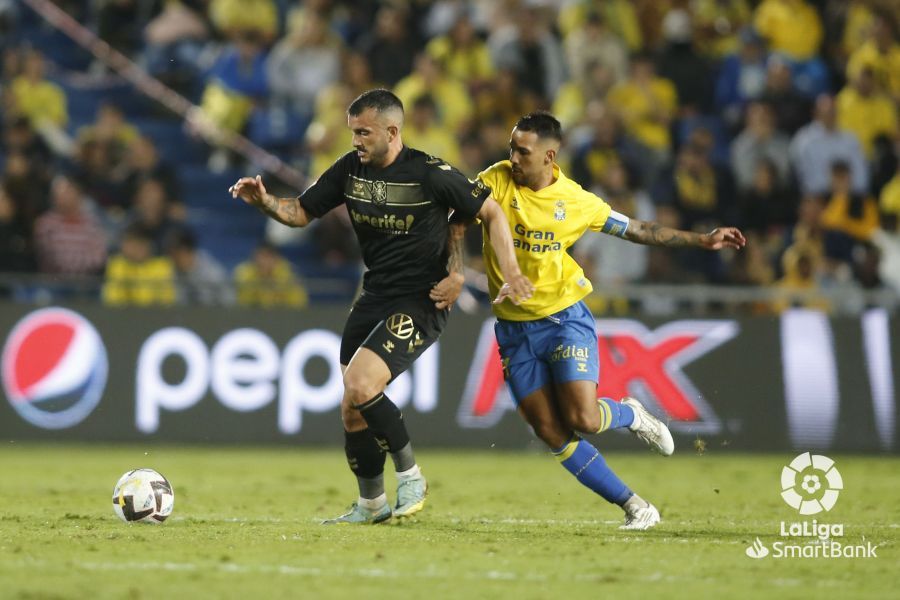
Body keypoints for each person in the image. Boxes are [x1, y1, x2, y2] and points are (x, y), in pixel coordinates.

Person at [229, 89, 533, 524]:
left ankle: (411, 475)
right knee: (353, 408)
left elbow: (489, 213)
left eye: (363, 132)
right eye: (353, 132)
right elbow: (300, 212)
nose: (355, 140)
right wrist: (265, 202)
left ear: (392, 131)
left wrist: (495, 272)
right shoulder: (350, 170)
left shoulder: (431, 173)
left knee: (361, 383)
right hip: (374, 296)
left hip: (424, 298)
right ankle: (371, 505)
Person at [465, 112, 745, 530]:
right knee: (549, 430)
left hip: (563, 318)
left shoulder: (576, 201)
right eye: (511, 149)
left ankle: (630, 414)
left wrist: (700, 240)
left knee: (584, 420)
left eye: (522, 151)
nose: (513, 158)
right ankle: (636, 506)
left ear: (549, 155)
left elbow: (637, 230)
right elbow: (454, 212)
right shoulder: (495, 179)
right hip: (512, 328)